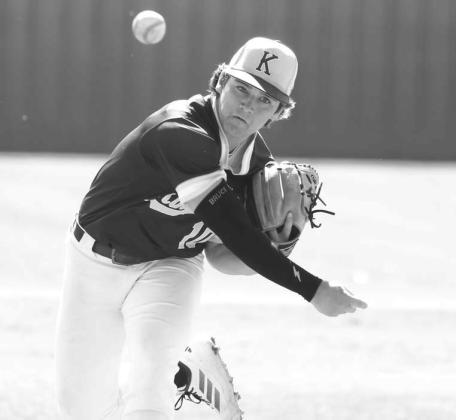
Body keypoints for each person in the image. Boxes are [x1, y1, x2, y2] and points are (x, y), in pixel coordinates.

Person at [55, 36, 367, 420]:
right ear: (220, 82)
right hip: (95, 264)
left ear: (276, 114)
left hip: (170, 266)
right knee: (81, 409)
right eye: (241, 89)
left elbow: (223, 258)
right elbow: (234, 231)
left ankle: (169, 371)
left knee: (148, 397)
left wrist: (280, 241)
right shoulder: (179, 132)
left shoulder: (257, 172)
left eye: (264, 101)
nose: (248, 106)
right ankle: (185, 372)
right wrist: (312, 289)